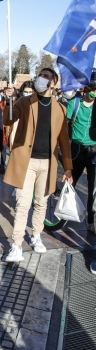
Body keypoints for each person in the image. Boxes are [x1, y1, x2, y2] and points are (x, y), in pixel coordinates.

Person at [3, 67, 73, 262]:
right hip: (27, 162)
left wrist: (68, 167)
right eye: (40, 75)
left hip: (48, 164)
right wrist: (9, 99)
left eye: (46, 76)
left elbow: (64, 140)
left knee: (41, 203)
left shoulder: (60, 109)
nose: (41, 79)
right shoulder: (25, 102)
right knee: (23, 204)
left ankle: (36, 236)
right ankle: (16, 246)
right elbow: (8, 119)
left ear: (54, 83)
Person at [66, 73, 96, 233]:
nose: (94, 93)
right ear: (86, 89)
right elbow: (64, 121)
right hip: (77, 150)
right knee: (70, 184)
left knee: (93, 189)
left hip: (94, 151)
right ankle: (63, 215)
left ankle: (92, 222)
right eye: (93, 89)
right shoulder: (75, 103)